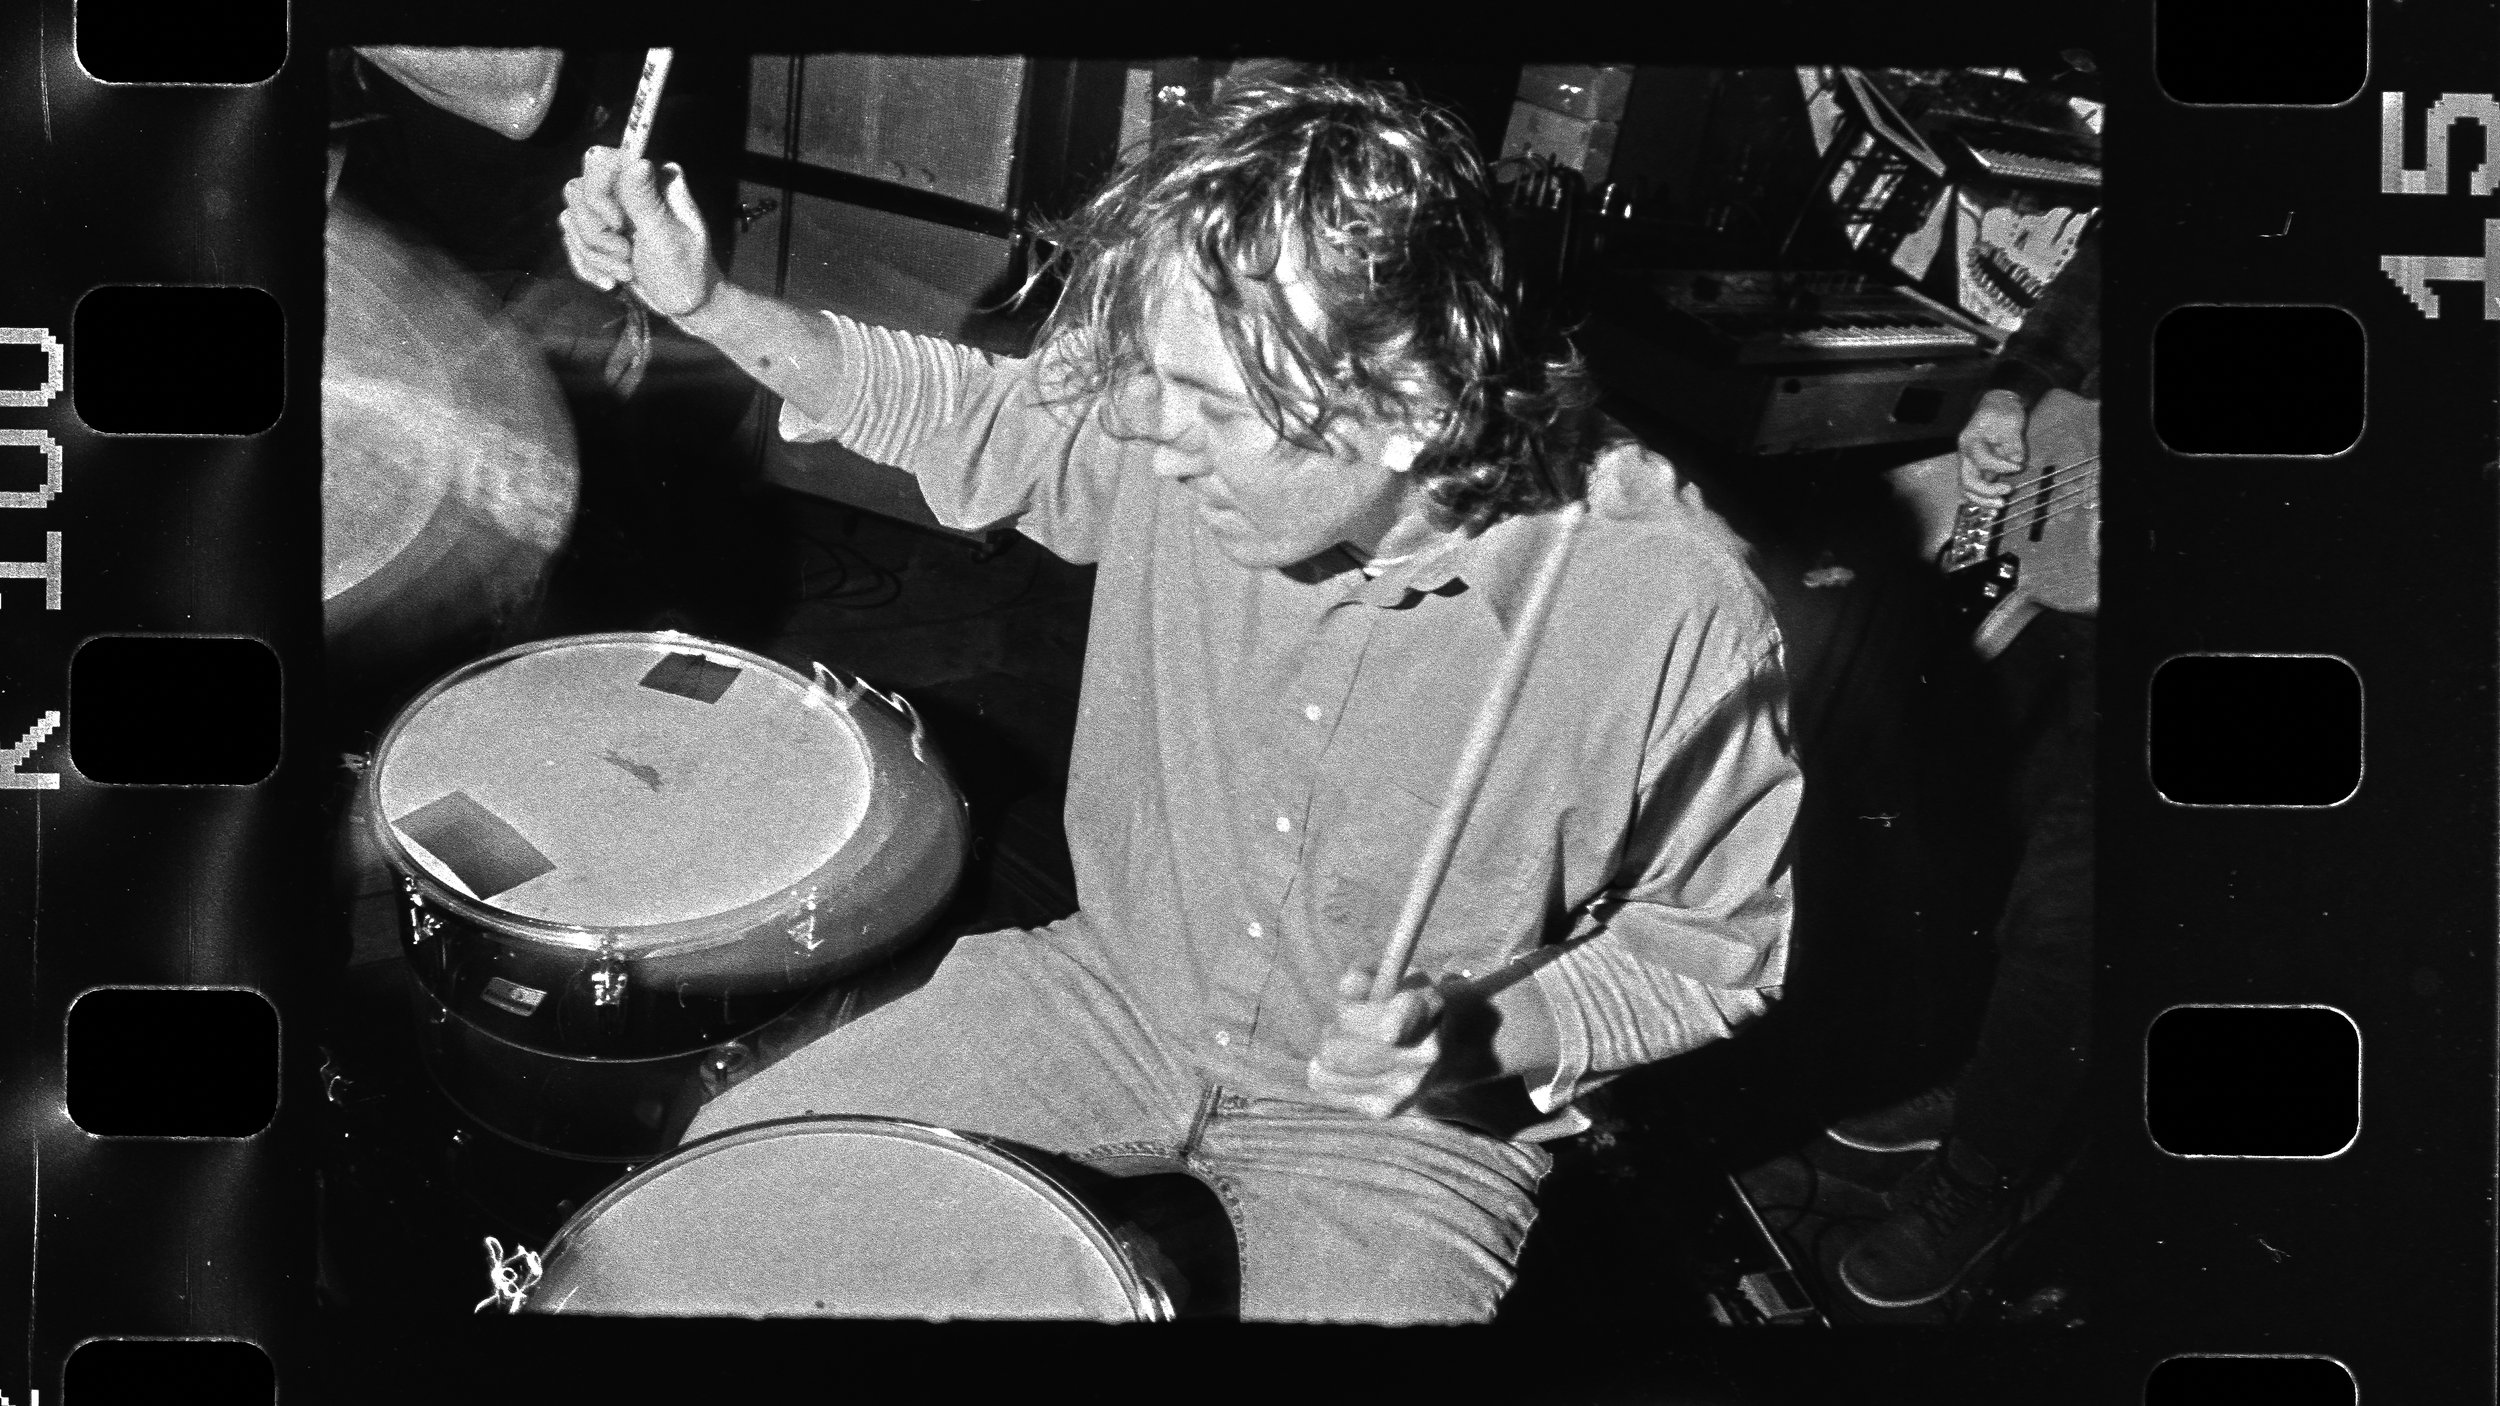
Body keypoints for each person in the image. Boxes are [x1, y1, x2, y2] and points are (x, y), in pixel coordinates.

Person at [560, 73, 1802, 1323]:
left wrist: (1494, 1029)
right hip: (1119, 990)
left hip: (1403, 1126)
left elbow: (1709, 955)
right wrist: (707, 301)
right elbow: (973, 410)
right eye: (1154, 379)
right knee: (718, 1178)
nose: (1154, 439)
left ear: (1412, 408)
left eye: (1212, 406)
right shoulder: (1181, 422)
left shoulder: (1665, 605)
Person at [1827, 218, 2100, 1311]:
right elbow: (2091, 279)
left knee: (2071, 912)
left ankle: (1984, 1179)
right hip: (2074, 564)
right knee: (1982, 830)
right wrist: (2011, 393)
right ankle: (1985, 1083)